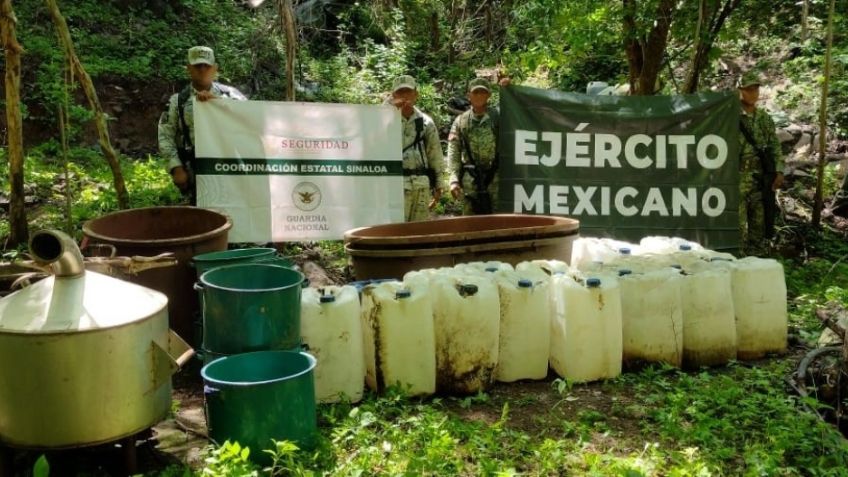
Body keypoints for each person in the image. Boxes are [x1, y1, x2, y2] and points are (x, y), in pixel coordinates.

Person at [158, 46, 246, 204]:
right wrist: (176, 168)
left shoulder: (232, 96)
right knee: (201, 216)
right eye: (198, 66)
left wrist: (219, 104)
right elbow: (165, 135)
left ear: (215, 68)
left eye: (207, 65)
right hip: (195, 169)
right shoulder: (178, 101)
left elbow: (250, 120)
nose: (203, 69)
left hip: (231, 166)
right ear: (189, 68)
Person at [737, 71, 784, 256]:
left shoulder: (764, 118)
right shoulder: (730, 116)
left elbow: (774, 145)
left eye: (756, 89)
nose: (753, 93)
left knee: (760, 224)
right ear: (740, 91)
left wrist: (779, 171)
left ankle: (757, 264)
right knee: (737, 226)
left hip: (760, 179)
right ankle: (736, 263)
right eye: (748, 89)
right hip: (737, 178)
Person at [388, 75, 444, 222]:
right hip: (395, 185)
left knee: (419, 232)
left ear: (416, 94)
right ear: (393, 95)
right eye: (400, 92)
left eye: (408, 91)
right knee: (395, 231)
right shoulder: (384, 119)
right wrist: (388, 106)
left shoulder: (426, 122)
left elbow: (435, 154)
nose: (405, 96)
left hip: (421, 185)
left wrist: (439, 184)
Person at [446, 78, 499, 215]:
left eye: (483, 92)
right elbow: (454, 151)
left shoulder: (498, 117)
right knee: (470, 223)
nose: (479, 96)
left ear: (489, 95)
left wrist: (508, 88)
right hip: (470, 179)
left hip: (495, 179)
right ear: (469, 95)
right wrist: (454, 179)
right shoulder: (461, 121)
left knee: (497, 221)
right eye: (475, 92)